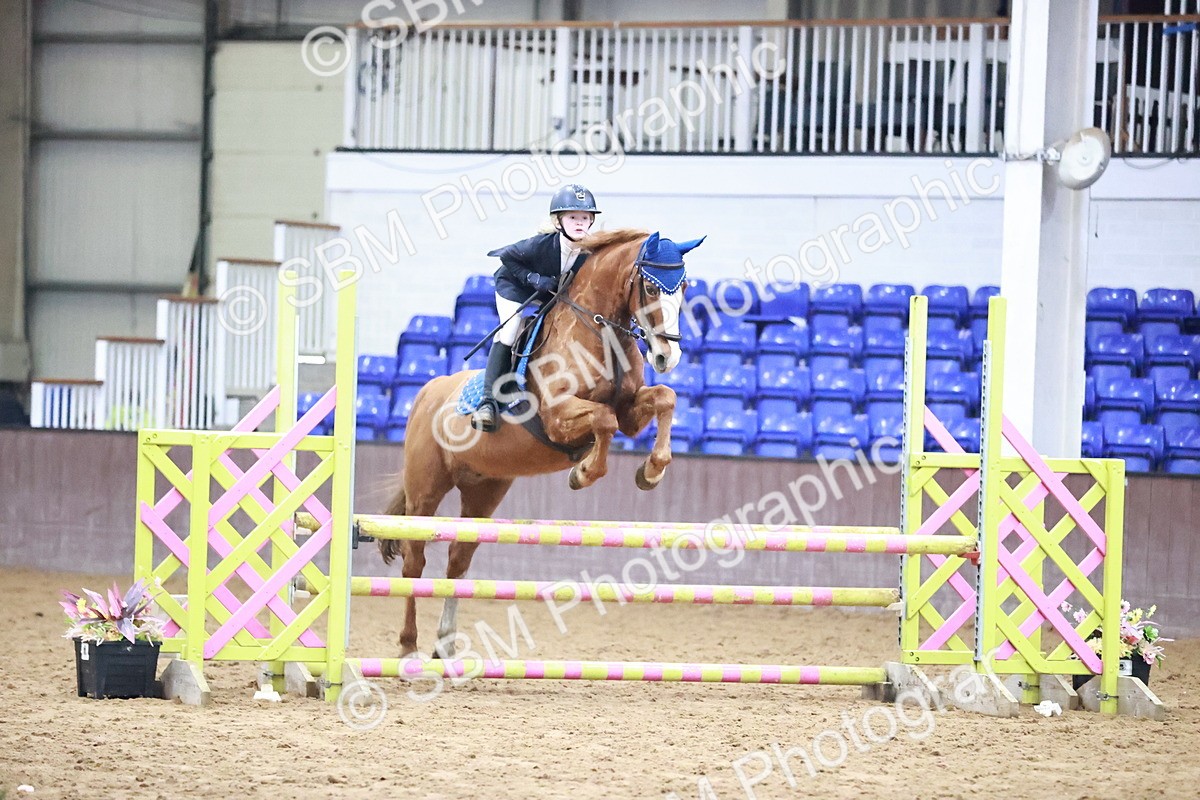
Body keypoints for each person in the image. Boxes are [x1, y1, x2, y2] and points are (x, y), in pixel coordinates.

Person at [470, 184, 600, 432]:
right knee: (510, 330)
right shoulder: (541, 245)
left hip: (548, 292)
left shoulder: (590, 252)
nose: (580, 222)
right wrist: (533, 279)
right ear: (558, 221)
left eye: (585, 217)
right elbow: (507, 257)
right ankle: (487, 402)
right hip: (515, 286)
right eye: (573, 217)